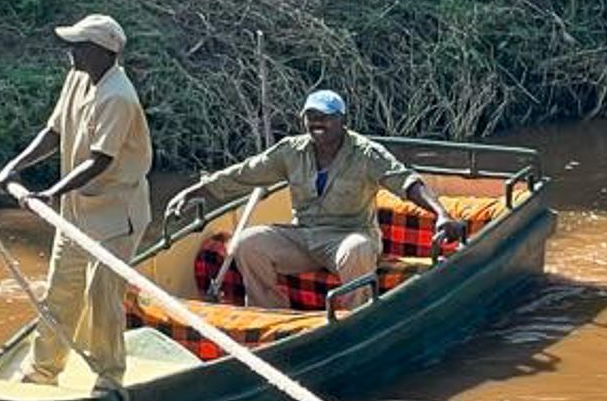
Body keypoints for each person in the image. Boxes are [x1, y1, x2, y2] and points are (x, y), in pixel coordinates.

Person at [164, 89, 458, 309]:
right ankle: (272, 316)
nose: (317, 123)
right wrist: (193, 192)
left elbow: (406, 182)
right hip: (303, 235)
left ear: (342, 120)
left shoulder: (367, 153)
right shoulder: (291, 151)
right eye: (311, 117)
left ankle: (358, 318)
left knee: (356, 249)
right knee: (248, 243)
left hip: (349, 235)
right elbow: (243, 174)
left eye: (326, 117)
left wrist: (441, 214)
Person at [0, 13, 153, 386]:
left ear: (102, 52)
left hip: (115, 214)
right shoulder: (76, 80)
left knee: (103, 298)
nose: (71, 53)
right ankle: (43, 370)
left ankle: (109, 376)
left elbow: (101, 160)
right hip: (77, 211)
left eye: (79, 47)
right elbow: (53, 132)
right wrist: (14, 167)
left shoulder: (118, 96)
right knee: (59, 293)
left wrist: (51, 192)